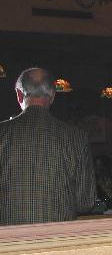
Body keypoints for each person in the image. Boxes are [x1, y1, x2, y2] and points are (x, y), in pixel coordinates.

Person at [0, 68, 96, 225]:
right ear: (52, 96)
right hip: (57, 241)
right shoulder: (76, 138)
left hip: (9, 243)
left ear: (19, 94)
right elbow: (86, 202)